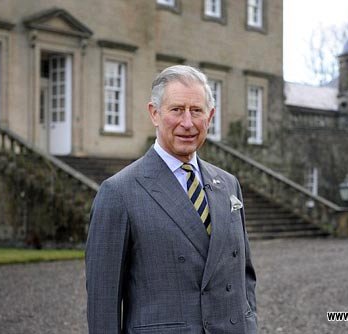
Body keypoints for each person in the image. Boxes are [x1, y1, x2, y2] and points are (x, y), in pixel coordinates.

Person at [86, 65, 257, 333]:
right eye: (176, 110)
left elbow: (244, 275)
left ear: (209, 116)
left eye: (196, 111)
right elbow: (102, 304)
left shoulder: (228, 185)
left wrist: (249, 323)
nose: (187, 123)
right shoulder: (119, 193)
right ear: (154, 113)